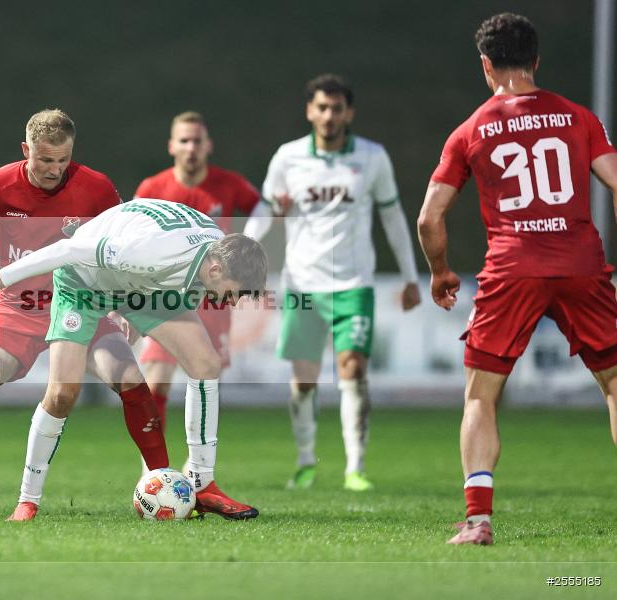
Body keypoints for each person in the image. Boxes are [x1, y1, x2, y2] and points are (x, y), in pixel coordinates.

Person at [0, 110, 170, 522]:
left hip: (82, 304)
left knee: (130, 378)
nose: (55, 170)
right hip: (18, 308)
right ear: (26, 150)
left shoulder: (96, 187)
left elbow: (123, 247)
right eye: (45, 160)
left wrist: (124, 302)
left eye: (63, 160)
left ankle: (166, 487)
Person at [417, 13, 617, 546]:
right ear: (536, 60)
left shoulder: (470, 130)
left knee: (481, 396)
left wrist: (440, 272)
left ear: (486, 64)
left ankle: (478, 521)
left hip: (512, 268)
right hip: (580, 262)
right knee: (615, 383)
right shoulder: (578, 117)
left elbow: (429, 218)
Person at [0, 199, 269, 521]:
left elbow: (176, 281)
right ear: (216, 270)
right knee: (62, 394)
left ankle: (203, 483)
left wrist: (133, 313)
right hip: (83, 284)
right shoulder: (152, 251)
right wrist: (0, 278)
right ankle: (27, 501)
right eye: (234, 293)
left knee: (205, 364)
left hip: (141, 287)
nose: (232, 302)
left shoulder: (214, 252)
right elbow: (67, 250)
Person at [244, 74, 421, 492]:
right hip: (302, 283)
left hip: (353, 283)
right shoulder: (288, 158)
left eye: (336, 108)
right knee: (304, 379)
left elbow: (392, 215)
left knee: (353, 367)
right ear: (310, 111)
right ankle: (306, 461)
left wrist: (411, 276)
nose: (328, 116)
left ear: (349, 113)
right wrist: (245, 254)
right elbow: (265, 209)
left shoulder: (372, 157)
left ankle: (355, 467)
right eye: (321, 107)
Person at [134, 111, 260, 448]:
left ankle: (198, 465)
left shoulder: (229, 185)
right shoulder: (152, 188)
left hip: (213, 300)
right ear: (172, 146)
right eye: (184, 140)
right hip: (166, 297)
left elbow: (262, 209)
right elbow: (131, 230)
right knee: (155, 382)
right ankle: (152, 467)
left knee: (206, 381)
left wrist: (247, 252)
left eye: (197, 141)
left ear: (208, 146)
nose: (191, 148)